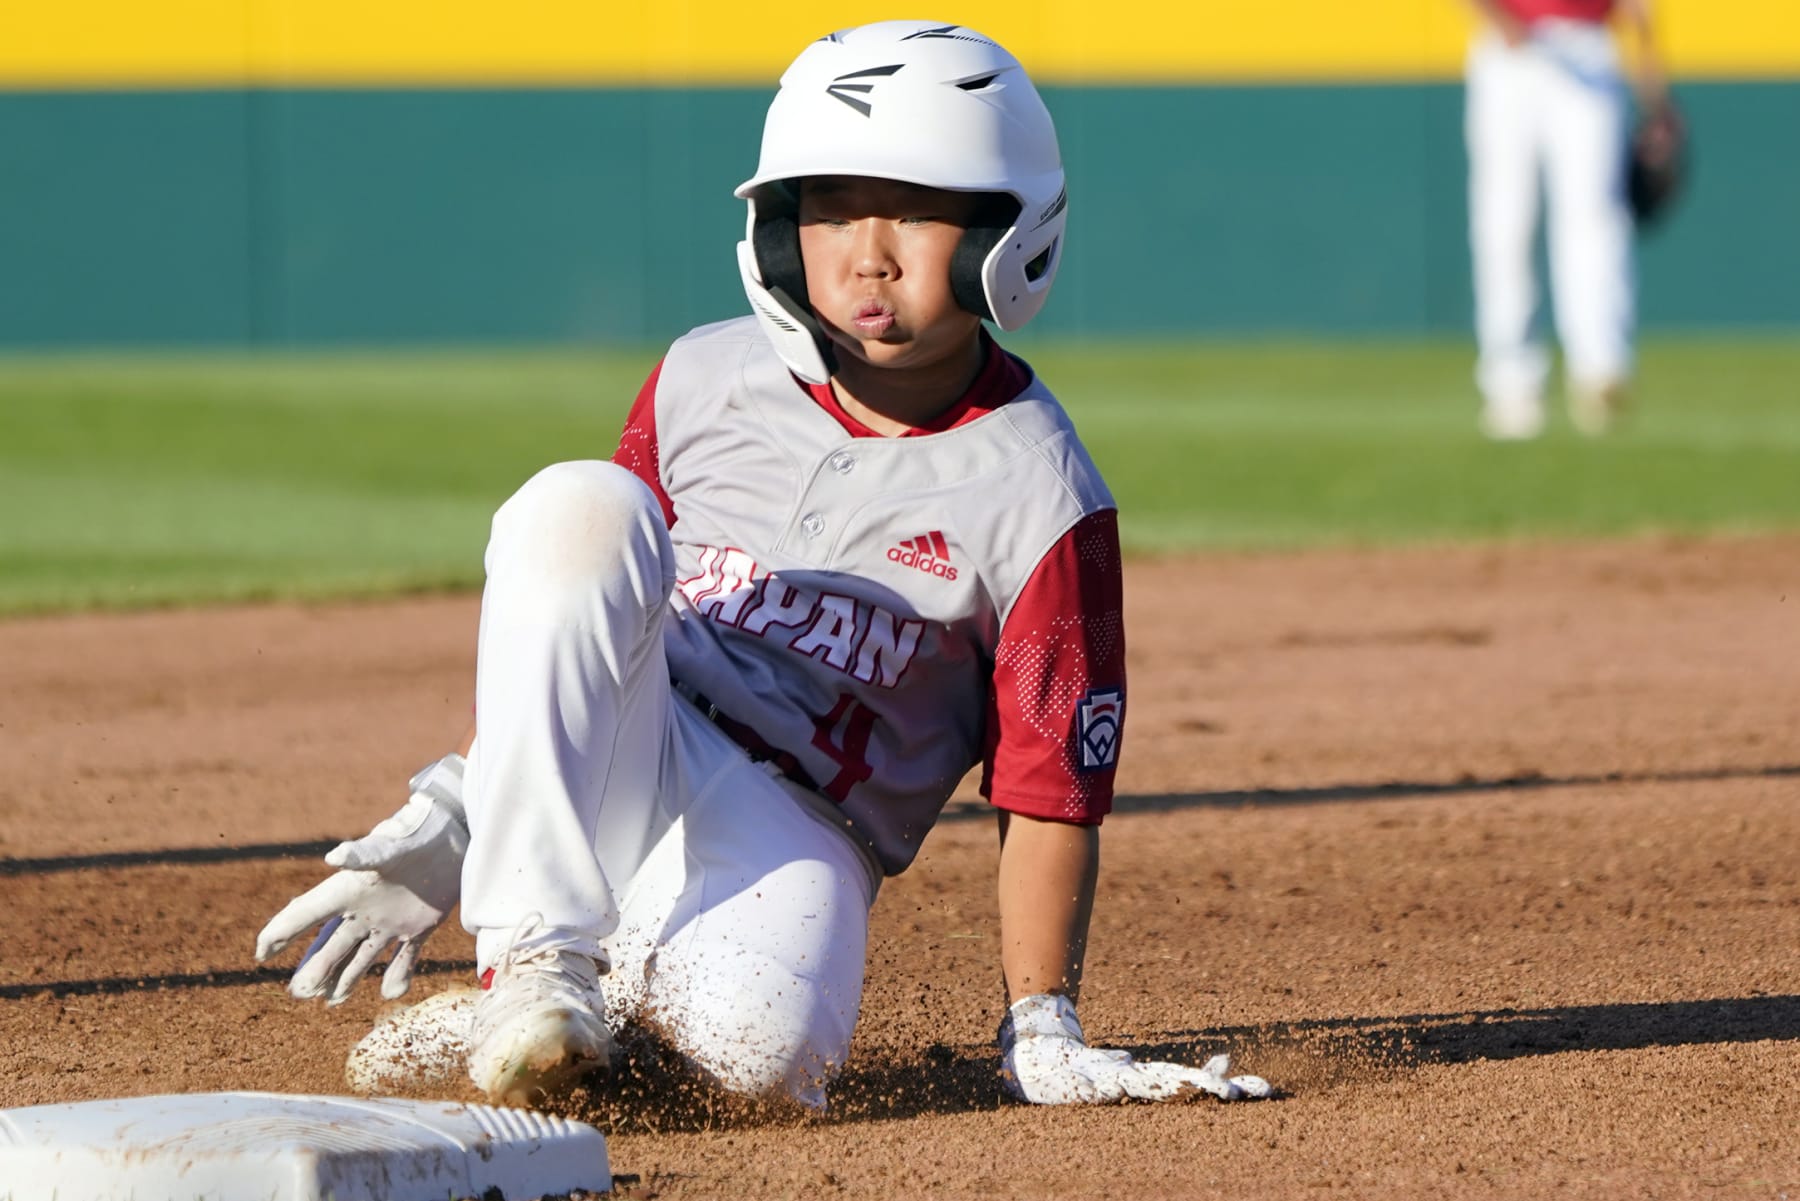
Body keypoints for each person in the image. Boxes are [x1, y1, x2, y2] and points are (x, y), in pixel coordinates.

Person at [255, 19, 1269, 1112]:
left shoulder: (1042, 492)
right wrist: (467, 802)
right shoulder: (702, 375)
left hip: (806, 822)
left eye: (918, 210)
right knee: (579, 505)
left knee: (760, 1073)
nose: (868, 252)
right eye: (831, 205)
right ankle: (538, 960)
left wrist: (1044, 1025)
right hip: (632, 751)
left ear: (1005, 233)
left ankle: (587, 1007)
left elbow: (1050, 791)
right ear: (781, 229)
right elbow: (580, 613)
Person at [1463, 0, 1670, 439]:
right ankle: (1511, 383)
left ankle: (1600, 373)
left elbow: (1640, 11)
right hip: (1510, 46)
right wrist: (1497, 19)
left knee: (1594, 217)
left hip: (1588, 45)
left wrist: (1656, 101)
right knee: (1506, 224)